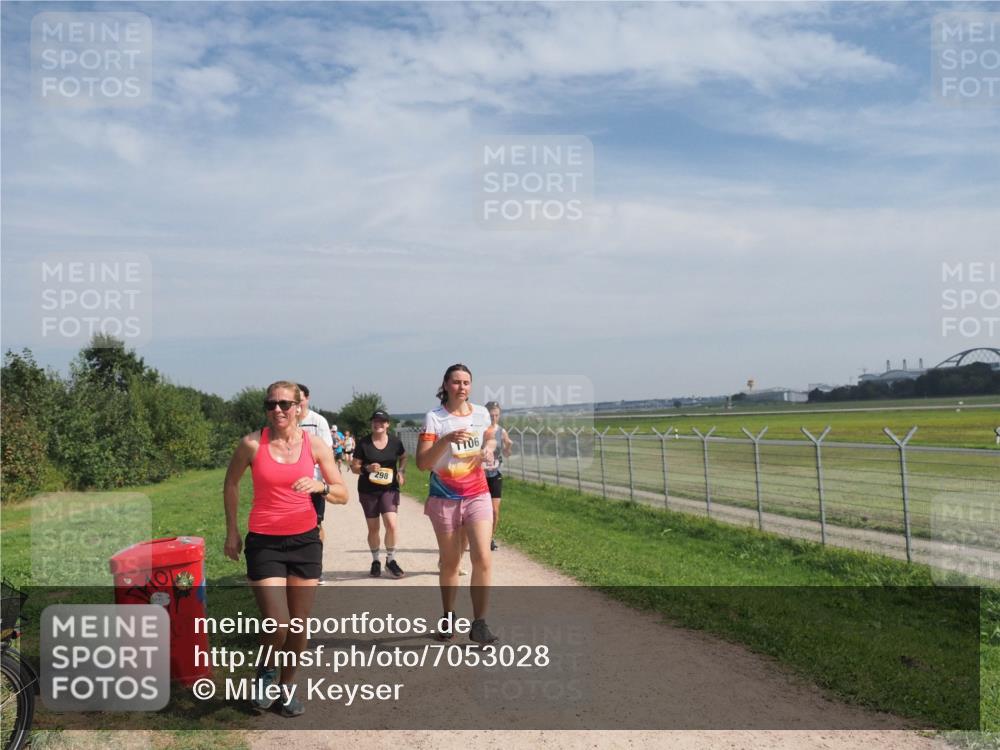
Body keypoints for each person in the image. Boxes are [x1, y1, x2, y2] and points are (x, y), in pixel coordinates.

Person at [223, 381, 348, 717]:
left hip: (305, 541)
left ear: (298, 407)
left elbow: (342, 493)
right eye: (271, 404)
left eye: (284, 404)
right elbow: (231, 483)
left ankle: (286, 687)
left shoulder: (315, 445)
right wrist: (232, 530)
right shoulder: (251, 444)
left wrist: (320, 486)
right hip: (265, 542)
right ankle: (266, 671)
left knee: (298, 625)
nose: (277, 410)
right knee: (277, 623)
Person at [416, 363, 498, 645]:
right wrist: (447, 439)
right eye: (456, 382)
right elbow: (422, 463)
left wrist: (487, 451)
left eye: (466, 382)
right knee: (451, 562)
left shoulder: (481, 414)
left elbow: (489, 440)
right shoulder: (434, 418)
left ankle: (480, 623)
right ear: (445, 385)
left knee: (483, 557)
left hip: (478, 493)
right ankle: (448, 615)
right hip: (445, 497)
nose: (461, 387)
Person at [351, 410, 407, 579]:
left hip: (389, 489)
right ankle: (375, 560)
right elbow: (354, 467)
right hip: (368, 490)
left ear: (387, 424)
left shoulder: (395, 442)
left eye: (382, 422)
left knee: (391, 524)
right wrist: (367, 468)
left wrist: (401, 471)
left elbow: (403, 457)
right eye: (375, 421)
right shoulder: (364, 443)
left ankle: (391, 560)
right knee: (374, 528)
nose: (378, 424)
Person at [296, 384, 333, 546]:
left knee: (316, 523)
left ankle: (317, 554)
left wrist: (326, 482)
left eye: (300, 399)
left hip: (314, 480)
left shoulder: (318, 421)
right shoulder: (286, 422)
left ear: (307, 398)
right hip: (291, 482)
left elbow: (327, 452)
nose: (297, 403)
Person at [482, 401, 512, 551]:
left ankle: (490, 538)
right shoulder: (481, 430)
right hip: (480, 474)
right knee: (479, 509)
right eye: (491, 415)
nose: (494, 418)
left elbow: (506, 454)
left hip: (495, 473)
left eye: (496, 415)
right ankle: (474, 536)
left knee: (494, 510)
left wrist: (508, 446)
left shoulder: (502, 431)